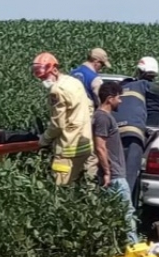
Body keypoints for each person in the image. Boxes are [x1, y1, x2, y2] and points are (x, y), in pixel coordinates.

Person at [32, 52, 93, 186]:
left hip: (67, 149)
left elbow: (58, 124)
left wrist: (44, 139)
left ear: (54, 70)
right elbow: (89, 107)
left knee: (60, 189)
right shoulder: (74, 82)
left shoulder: (57, 90)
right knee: (79, 186)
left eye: (45, 77)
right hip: (85, 145)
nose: (44, 81)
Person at [93, 81, 139, 245]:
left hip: (113, 174)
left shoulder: (104, 117)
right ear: (110, 99)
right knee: (127, 213)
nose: (121, 101)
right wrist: (107, 172)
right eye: (119, 98)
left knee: (113, 214)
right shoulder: (103, 118)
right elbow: (100, 147)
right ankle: (134, 249)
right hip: (114, 176)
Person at [111, 56, 159, 191]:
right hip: (134, 136)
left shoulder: (122, 86)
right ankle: (126, 209)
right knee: (130, 176)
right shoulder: (149, 87)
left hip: (113, 134)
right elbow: (157, 114)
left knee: (114, 173)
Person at [70, 48, 111, 178]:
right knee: (91, 158)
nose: (101, 68)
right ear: (96, 62)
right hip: (86, 125)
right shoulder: (95, 79)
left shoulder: (71, 74)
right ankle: (89, 188)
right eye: (102, 65)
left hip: (69, 124)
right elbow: (102, 104)